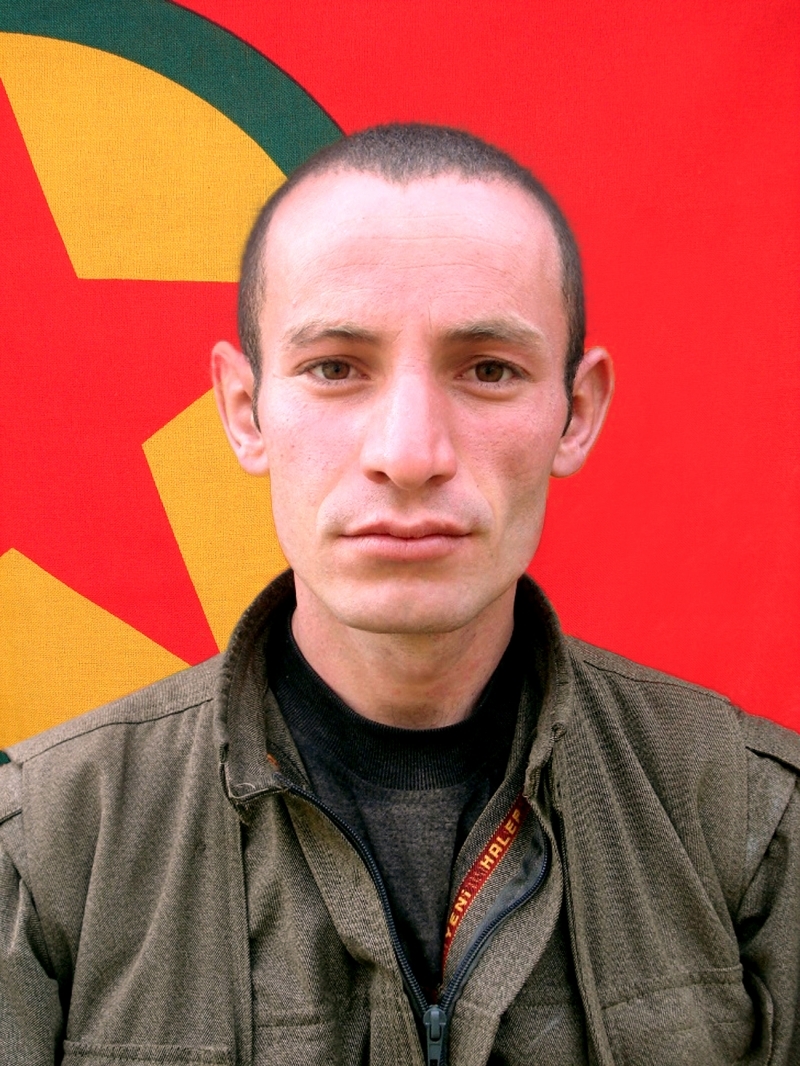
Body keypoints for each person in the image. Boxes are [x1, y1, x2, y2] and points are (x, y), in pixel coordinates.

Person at [1, 123, 798, 1066]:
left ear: (576, 413)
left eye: (489, 370)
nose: (410, 454)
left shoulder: (754, 829)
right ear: (245, 412)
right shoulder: (46, 851)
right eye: (335, 368)